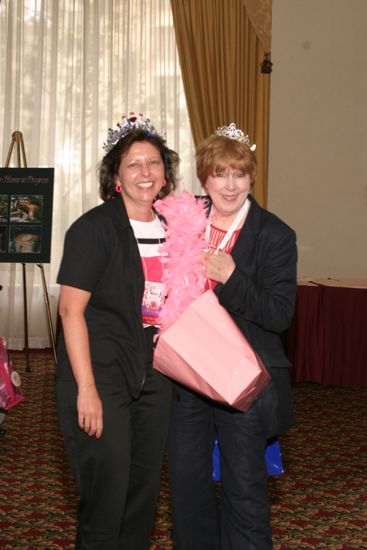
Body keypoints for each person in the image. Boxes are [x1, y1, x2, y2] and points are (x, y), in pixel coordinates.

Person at [167, 123, 297, 549]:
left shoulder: (275, 234)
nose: (229, 185)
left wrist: (232, 277)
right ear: (203, 178)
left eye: (239, 174)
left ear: (251, 177)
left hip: (244, 379)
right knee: (188, 488)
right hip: (186, 378)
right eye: (220, 174)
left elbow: (279, 315)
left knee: (244, 489)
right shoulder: (180, 223)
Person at [56, 113, 179, 549]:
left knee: (142, 494)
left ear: (166, 174)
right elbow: (71, 313)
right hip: (102, 371)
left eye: (153, 163)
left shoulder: (175, 229)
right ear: (117, 177)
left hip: (156, 375)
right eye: (133, 164)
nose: (145, 172)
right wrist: (86, 389)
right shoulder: (93, 229)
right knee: (107, 494)